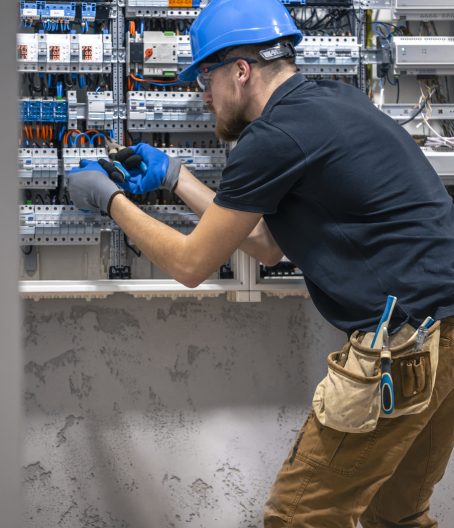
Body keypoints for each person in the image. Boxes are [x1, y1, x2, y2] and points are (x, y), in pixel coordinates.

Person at [69, 0, 454, 525]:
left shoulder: (272, 138)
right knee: (396, 512)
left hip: (407, 346)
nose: (202, 95)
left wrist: (109, 200)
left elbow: (189, 265)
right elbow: (269, 245)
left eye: (206, 77)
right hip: (446, 336)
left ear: (242, 71)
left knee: (299, 517)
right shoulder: (329, 103)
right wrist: (176, 176)